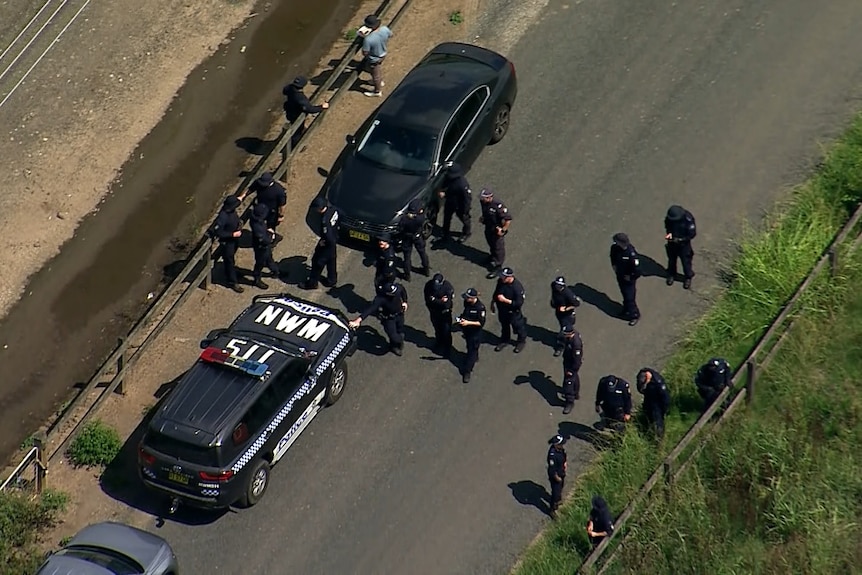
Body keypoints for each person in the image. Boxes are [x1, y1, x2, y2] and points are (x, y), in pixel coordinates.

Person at [349, 282, 408, 356]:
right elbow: (370, 309)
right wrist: (358, 320)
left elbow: (402, 289)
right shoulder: (381, 299)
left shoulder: (396, 289)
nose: (395, 295)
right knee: (394, 336)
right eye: (393, 294)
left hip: (400, 314)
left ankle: (396, 344)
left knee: (400, 329)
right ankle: (395, 344)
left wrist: (405, 301)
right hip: (389, 319)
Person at [300, 197, 339, 289]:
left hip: (327, 244)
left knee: (317, 262)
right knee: (331, 260)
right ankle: (331, 280)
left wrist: (324, 242)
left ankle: (312, 283)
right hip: (334, 238)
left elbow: (328, 236)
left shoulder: (324, 220)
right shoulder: (333, 210)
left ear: (320, 208)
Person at [282, 75, 329, 149]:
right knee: (297, 131)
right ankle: (295, 147)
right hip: (296, 115)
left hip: (289, 110)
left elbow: (284, 91)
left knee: (296, 127)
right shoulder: (300, 97)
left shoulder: (290, 88)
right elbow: (309, 109)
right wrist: (322, 107)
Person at [491, 267, 527, 353]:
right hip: (502, 310)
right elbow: (496, 292)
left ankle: (521, 341)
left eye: (504, 277)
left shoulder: (517, 288)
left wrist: (505, 300)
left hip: (513, 312)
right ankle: (505, 340)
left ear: (510, 277)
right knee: (504, 326)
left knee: (518, 327)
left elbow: (518, 303)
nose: (501, 278)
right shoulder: (501, 282)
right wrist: (493, 302)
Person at [213, 195, 244, 293]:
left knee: (232, 258)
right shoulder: (223, 216)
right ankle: (232, 281)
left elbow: (239, 200)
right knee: (229, 261)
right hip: (227, 242)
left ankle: (233, 273)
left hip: (234, 240)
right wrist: (232, 234)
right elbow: (218, 232)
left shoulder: (231, 210)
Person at [609, 232, 641, 326]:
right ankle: (626, 309)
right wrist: (614, 266)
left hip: (629, 279)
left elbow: (637, 270)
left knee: (630, 297)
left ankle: (634, 315)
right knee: (624, 293)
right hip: (620, 275)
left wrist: (631, 277)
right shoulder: (615, 248)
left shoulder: (631, 254)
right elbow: (612, 257)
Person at [479, 188, 512, 279]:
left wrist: (503, 230)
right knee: (490, 243)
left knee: (498, 247)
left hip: (497, 229)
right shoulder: (483, 202)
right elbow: (486, 212)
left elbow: (508, 219)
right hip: (488, 226)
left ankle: (498, 266)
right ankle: (492, 256)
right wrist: (483, 218)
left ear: (490, 197)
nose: (482, 199)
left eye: (484, 198)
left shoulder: (497, 205)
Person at [456, 288, 486, 383]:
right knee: (470, 347)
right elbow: (466, 312)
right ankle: (475, 357)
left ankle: (467, 371)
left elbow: (481, 323)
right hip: (467, 331)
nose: (466, 299)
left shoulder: (480, 308)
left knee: (471, 352)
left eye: (468, 298)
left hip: (475, 334)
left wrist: (468, 322)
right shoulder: (467, 303)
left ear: (473, 298)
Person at [664, 204, 697, 289]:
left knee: (686, 262)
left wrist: (680, 240)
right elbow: (668, 228)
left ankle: (688, 277)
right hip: (672, 242)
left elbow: (692, 234)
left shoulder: (688, 219)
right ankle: (671, 274)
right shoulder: (670, 218)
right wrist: (669, 236)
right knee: (671, 260)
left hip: (684, 245)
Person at [359, 14, 392, 98]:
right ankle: (378, 81)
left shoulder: (368, 39)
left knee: (375, 74)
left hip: (374, 58)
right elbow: (390, 35)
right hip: (383, 54)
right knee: (371, 69)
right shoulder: (384, 29)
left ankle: (377, 91)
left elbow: (365, 52)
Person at [438, 162, 472, 242]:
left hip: (459, 204)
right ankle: (445, 233)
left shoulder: (462, 184)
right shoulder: (450, 177)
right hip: (450, 201)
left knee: (464, 219)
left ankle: (466, 233)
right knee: (447, 217)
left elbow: (467, 198)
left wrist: (465, 210)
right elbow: (446, 184)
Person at [397, 198, 430, 280]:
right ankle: (426, 269)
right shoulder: (420, 218)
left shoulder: (405, 219)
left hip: (407, 237)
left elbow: (400, 228)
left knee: (407, 256)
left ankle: (407, 274)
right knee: (422, 253)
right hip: (417, 236)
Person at [249, 203, 280, 289]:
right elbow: (264, 240)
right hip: (261, 247)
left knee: (269, 258)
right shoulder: (257, 227)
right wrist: (271, 235)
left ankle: (275, 271)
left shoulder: (257, 220)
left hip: (264, 246)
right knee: (260, 263)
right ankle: (257, 279)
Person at [424, 273, 455, 356]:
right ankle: (439, 343)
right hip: (434, 312)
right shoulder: (429, 285)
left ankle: (448, 348)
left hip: (445, 314)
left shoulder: (448, 288)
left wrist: (435, 300)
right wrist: (440, 301)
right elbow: (428, 300)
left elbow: (447, 304)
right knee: (437, 330)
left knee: (446, 331)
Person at [550, 276, 581, 357]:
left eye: (559, 287)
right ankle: (568, 338)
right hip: (559, 312)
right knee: (563, 328)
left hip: (567, 315)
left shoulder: (568, 294)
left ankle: (561, 346)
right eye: (556, 285)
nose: (557, 288)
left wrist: (566, 308)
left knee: (565, 330)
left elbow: (577, 304)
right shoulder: (553, 286)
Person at [636, 368, 671, 438]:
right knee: (647, 414)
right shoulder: (642, 374)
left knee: (657, 421)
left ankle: (659, 438)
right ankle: (647, 427)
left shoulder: (658, 383)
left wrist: (664, 409)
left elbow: (665, 398)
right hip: (649, 398)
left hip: (657, 402)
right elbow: (640, 388)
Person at [560, 325, 583, 415]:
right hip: (568, 361)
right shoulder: (571, 337)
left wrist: (572, 370)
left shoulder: (576, 343)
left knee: (568, 382)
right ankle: (576, 393)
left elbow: (577, 360)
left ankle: (570, 401)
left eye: (566, 334)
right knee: (575, 378)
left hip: (572, 365)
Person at [546, 434, 568, 519]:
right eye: (561, 444)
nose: (563, 445)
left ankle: (558, 500)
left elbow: (564, 456)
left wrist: (565, 463)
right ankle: (552, 509)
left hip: (561, 472)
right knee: (555, 492)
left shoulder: (560, 450)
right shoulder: (552, 455)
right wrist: (556, 477)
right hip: (556, 475)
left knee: (560, 488)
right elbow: (552, 469)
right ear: (556, 445)